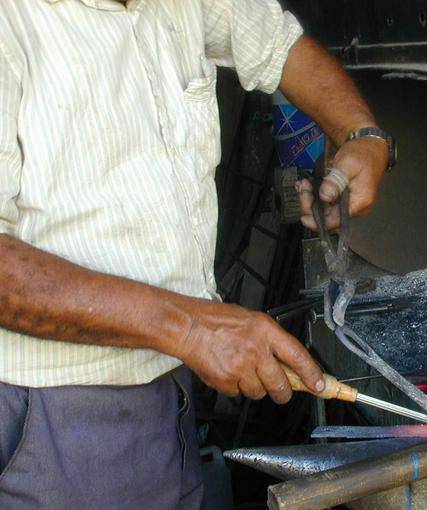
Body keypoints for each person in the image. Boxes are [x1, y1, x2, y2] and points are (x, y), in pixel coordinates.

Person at [0, 1, 394, 507]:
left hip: (168, 388)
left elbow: (278, 43)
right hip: (54, 414)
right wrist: (194, 328)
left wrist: (360, 133)